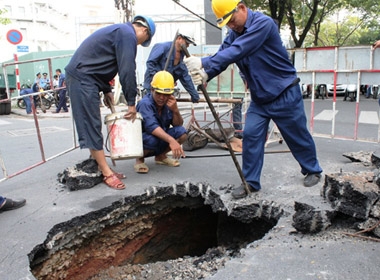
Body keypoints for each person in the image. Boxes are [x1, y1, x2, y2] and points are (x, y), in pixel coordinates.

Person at [184, 0, 323, 199]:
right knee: (251, 137)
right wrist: (207, 73)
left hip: (284, 92)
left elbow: (239, 50)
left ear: (241, 8)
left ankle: (312, 169)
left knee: (297, 135)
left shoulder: (263, 24)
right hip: (260, 98)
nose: (231, 26)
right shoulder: (233, 35)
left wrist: (204, 62)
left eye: (232, 20)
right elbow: (224, 55)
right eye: (227, 24)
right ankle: (250, 181)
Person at [65, 15, 156, 190]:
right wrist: (131, 102)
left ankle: (101, 166)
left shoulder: (121, 32)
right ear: (144, 31)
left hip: (89, 78)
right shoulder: (127, 34)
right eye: (143, 41)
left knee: (93, 123)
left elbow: (102, 61)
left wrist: (106, 88)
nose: (139, 44)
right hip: (82, 78)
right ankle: (106, 172)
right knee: (92, 123)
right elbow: (127, 69)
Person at [134, 71, 187, 174]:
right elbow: (151, 127)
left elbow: (178, 124)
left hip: (160, 136)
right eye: (158, 93)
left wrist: (175, 110)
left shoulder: (169, 103)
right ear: (152, 90)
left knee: (182, 132)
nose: (162, 98)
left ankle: (161, 156)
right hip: (144, 138)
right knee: (152, 139)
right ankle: (139, 159)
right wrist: (172, 140)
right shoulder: (145, 104)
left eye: (166, 94)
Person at [143, 30, 200, 103]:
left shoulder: (181, 56)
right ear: (179, 38)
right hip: (153, 88)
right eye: (187, 43)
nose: (188, 46)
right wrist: (159, 79)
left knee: (168, 110)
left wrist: (194, 95)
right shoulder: (162, 47)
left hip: (166, 90)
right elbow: (150, 63)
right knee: (152, 109)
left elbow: (185, 77)